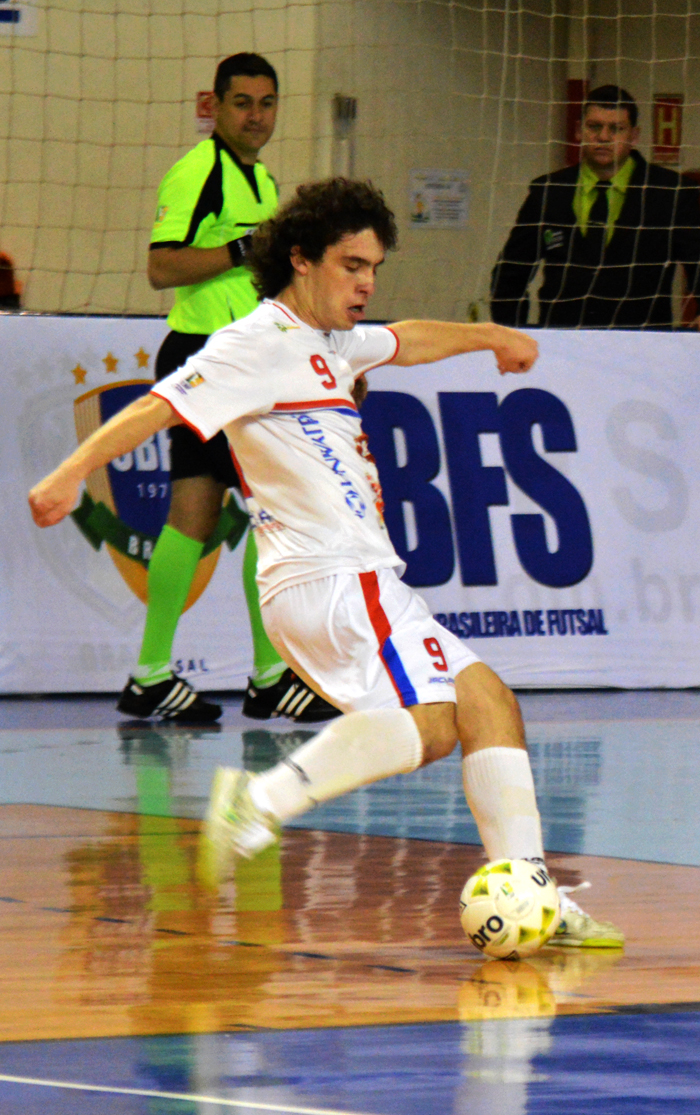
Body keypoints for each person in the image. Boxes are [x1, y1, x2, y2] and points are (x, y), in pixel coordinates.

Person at [29, 178, 623, 948]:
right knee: (436, 722)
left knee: (488, 701)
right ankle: (262, 801)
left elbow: (406, 338)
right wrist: (70, 472)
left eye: (374, 266)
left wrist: (490, 337)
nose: (367, 282)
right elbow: (161, 404)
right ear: (301, 261)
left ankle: (532, 890)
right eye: (351, 265)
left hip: (356, 579)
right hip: (331, 578)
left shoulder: (332, 343)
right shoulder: (256, 342)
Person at [121, 50, 337, 725]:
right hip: (208, 359)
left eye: (266, 103)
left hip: (238, 363)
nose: (256, 115)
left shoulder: (262, 182)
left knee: (202, 513)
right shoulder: (199, 173)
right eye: (242, 102)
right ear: (214, 106)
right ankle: (262, 673)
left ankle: (157, 674)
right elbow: (161, 267)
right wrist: (245, 248)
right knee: (271, 510)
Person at [491, 84, 700, 329]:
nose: (603, 137)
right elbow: (511, 273)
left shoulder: (671, 192)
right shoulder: (549, 191)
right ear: (579, 130)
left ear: (634, 136)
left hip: (644, 346)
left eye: (616, 129)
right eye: (594, 127)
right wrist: (514, 331)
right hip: (563, 343)